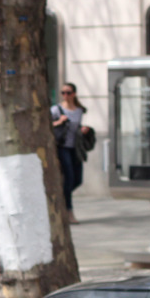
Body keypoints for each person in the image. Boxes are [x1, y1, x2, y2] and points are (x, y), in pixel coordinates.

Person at [51, 82, 91, 225]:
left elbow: (76, 128)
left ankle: (61, 195)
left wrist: (83, 130)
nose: (65, 95)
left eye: (68, 92)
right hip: (62, 148)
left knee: (77, 180)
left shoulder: (79, 110)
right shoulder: (56, 110)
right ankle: (69, 213)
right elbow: (47, 125)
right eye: (63, 93)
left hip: (76, 148)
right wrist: (59, 122)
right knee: (68, 179)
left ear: (74, 94)